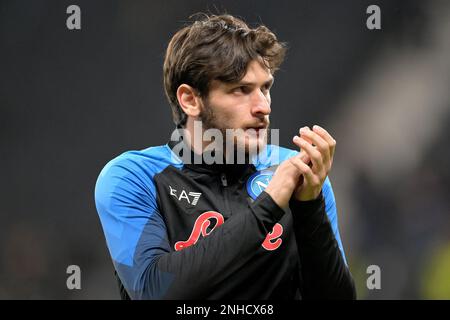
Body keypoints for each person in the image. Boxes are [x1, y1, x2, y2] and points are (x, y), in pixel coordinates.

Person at [94, 14, 356, 299]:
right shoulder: (133, 177)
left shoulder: (299, 179)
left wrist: (309, 207)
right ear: (190, 100)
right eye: (241, 90)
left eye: (265, 88)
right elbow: (154, 291)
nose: (263, 107)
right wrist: (268, 207)